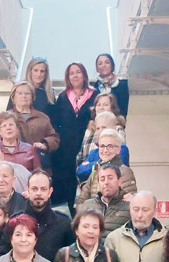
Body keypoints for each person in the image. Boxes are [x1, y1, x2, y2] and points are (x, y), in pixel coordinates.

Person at [51, 63, 96, 209]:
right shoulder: (63, 97)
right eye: (72, 73)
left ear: (84, 75)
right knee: (65, 185)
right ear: (68, 77)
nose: (75, 76)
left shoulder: (94, 95)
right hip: (65, 150)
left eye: (78, 72)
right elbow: (56, 122)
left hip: (86, 146)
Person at [0, 82, 60, 160]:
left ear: (32, 97)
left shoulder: (42, 117)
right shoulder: (4, 117)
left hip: (38, 164)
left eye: (27, 93)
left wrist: (45, 144)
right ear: (13, 97)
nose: (24, 96)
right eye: (20, 93)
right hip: (11, 165)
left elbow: (54, 138)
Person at [75, 129, 137, 210]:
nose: (105, 150)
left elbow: (127, 203)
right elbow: (81, 202)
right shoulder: (96, 170)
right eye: (102, 146)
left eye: (110, 146)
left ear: (118, 149)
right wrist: (90, 215)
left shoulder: (125, 172)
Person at [22, 170, 75, 261]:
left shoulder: (64, 224)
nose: (39, 193)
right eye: (34, 189)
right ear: (28, 190)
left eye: (43, 189)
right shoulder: (15, 222)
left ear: (50, 192)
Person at [76, 96, 128, 172]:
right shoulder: (93, 152)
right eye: (98, 105)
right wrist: (102, 162)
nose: (100, 131)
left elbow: (115, 166)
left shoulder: (121, 147)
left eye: (105, 105)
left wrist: (92, 164)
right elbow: (80, 170)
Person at [79, 164, 131, 237]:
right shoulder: (88, 205)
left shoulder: (130, 206)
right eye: (102, 179)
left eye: (110, 178)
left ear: (120, 181)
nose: (106, 182)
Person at [92, 53, 129, 117]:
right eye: (100, 63)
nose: (104, 65)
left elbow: (123, 110)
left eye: (107, 62)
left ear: (112, 65)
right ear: (97, 69)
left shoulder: (122, 85)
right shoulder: (93, 89)